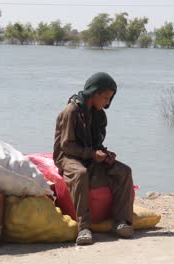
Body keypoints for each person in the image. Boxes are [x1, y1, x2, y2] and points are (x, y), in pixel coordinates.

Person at [53, 72, 134, 245]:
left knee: (124, 171)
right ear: (94, 93)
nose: (107, 102)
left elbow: (97, 143)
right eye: (105, 97)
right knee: (81, 174)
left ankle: (121, 221)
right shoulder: (71, 111)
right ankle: (84, 228)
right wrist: (91, 154)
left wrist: (105, 154)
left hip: (88, 155)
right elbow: (67, 146)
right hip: (67, 156)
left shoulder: (99, 114)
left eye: (109, 99)